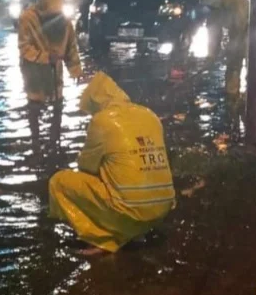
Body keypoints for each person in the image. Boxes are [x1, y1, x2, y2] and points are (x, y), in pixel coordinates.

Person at [49, 72, 176, 254]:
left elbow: (86, 167)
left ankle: (102, 238)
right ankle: (135, 232)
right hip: (161, 211)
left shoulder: (102, 120)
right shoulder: (150, 115)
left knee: (59, 182)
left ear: (97, 103)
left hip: (130, 213)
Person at [18, 0, 82, 158]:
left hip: (55, 72)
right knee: (35, 107)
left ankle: (53, 142)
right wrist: (45, 57)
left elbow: (71, 48)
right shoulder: (27, 19)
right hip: (34, 73)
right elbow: (24, 48)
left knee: (58, 106)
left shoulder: (65, 22)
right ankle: (36, 144)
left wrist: (75, 70)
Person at [204, 0, 250, 96]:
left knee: (250, 63)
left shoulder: (237, 4)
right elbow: (214, 36)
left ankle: (251, 95)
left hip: (251, 29)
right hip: (237, 31)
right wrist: (211, 56)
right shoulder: (214, 12)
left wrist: (233, 48)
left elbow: (241, 29)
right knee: (233, 64)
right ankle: (232, 94)